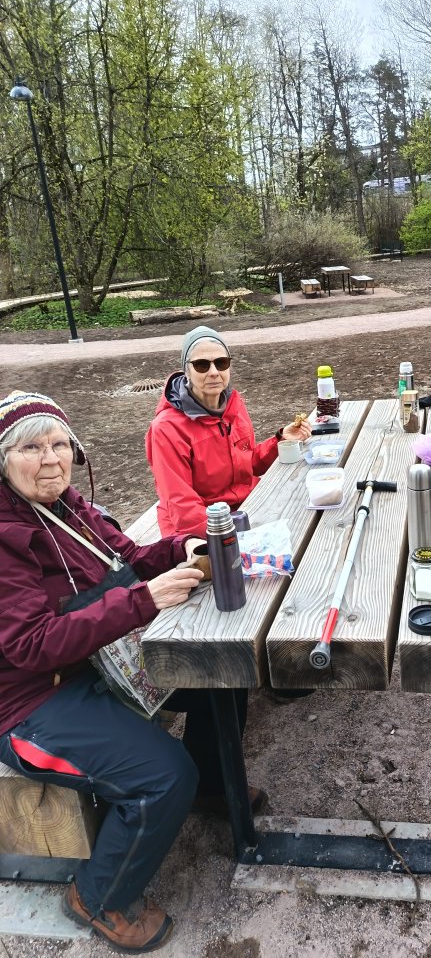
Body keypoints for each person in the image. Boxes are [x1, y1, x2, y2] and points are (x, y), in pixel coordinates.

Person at [0, 390, 261, 953]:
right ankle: (98, 896)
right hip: (28, 702)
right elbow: (30, 645)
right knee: (162, 775)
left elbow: (129, 559)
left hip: (96, 662)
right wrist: (144, 601)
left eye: (59, 445)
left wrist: (184, 547)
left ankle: (211, 786)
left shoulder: (69, 507)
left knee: (220, 670)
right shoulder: (5, 538)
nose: (51, 459)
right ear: (3, 461)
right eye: (31, 448)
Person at [146, 326, 311, 536]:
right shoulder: (167, 428)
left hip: (244, 509)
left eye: (221, 363)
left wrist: (280, 440)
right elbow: (182, 506)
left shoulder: (233, 405)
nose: (214, 372)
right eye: (202, 365)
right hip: (200, 530)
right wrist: (229, 538)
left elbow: (247, 464)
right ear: (186, 371)